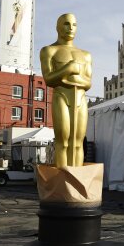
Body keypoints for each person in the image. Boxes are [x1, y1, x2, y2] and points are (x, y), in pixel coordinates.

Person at [40, 13, 92, 168]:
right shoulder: (50, 50)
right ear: (58, 27)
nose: (71, 28)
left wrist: (65, 78)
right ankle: (63, 180)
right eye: (66, 24)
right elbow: (49, 79)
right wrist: (68, 69)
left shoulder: (86, 55)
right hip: (61, 96)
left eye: (74, 25)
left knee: (77, 142)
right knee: (62, 140)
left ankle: (76, 179)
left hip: (80, 98)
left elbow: (88, 82)